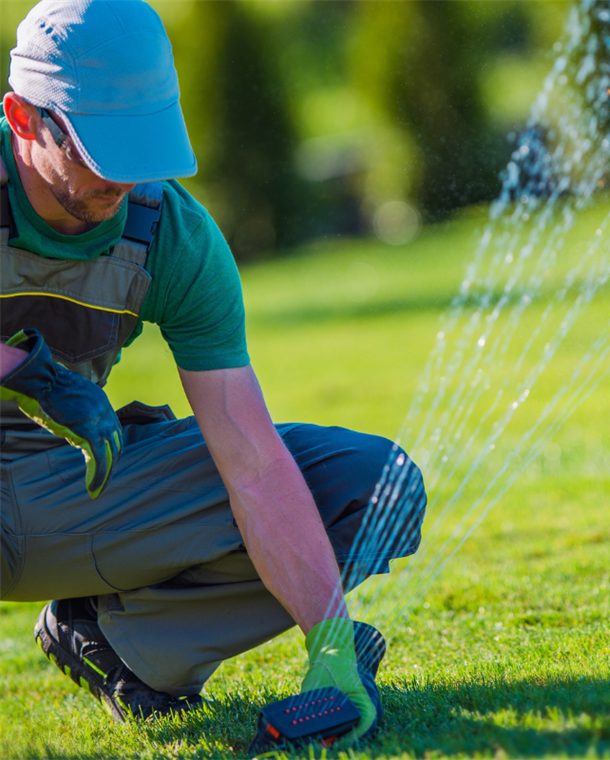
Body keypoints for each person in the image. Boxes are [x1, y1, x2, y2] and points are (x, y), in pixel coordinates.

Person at [0, 0, 426, 745]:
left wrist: (328, 643)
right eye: (100, 155)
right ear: (23, 118)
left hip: (64, 489)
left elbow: (251, 460)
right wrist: (25, 372)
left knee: (372, 487)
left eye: (139, 154)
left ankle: (121, 647)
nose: (121, 184)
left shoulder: (171, 236)